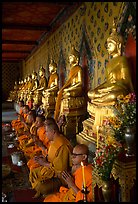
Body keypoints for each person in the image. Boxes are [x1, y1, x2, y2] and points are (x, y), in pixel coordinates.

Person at [88, 21, 134, 106]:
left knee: (114, 95)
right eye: (107, 45)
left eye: (110, 44)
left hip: (118, 89)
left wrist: (111, 88)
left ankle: (98, 102)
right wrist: (99, 89)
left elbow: (125, 82)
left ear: (118, 45)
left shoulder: (122, 60)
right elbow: (108, 81)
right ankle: (100, 101)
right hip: (108, 89)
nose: (107, 47)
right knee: (91, 93)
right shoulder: (109, 63)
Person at [29, 118, 73, 198]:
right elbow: (51, 157)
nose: (45, 134)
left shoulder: (62, 145)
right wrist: (44, 158)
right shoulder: (54, 141)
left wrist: (44, 163)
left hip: (59, 177)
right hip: (49, 169)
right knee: (33, 172)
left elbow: (61, 169)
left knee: (41, 186)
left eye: (46, 132)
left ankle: (44, 191)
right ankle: (41, 189)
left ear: (53, 131)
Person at [54, 45, 83, 121]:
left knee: (67, 93)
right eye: (69, 57)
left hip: (77, 89)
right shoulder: (71, 69)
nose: (69, 59)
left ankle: (61, 115)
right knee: (61, 93)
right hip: (71, 88)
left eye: (71, 57)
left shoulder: (79, 68)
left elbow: (80, 83)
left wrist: (68, 89)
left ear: (76, 59)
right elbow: (69, 82)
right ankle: (60, 115)